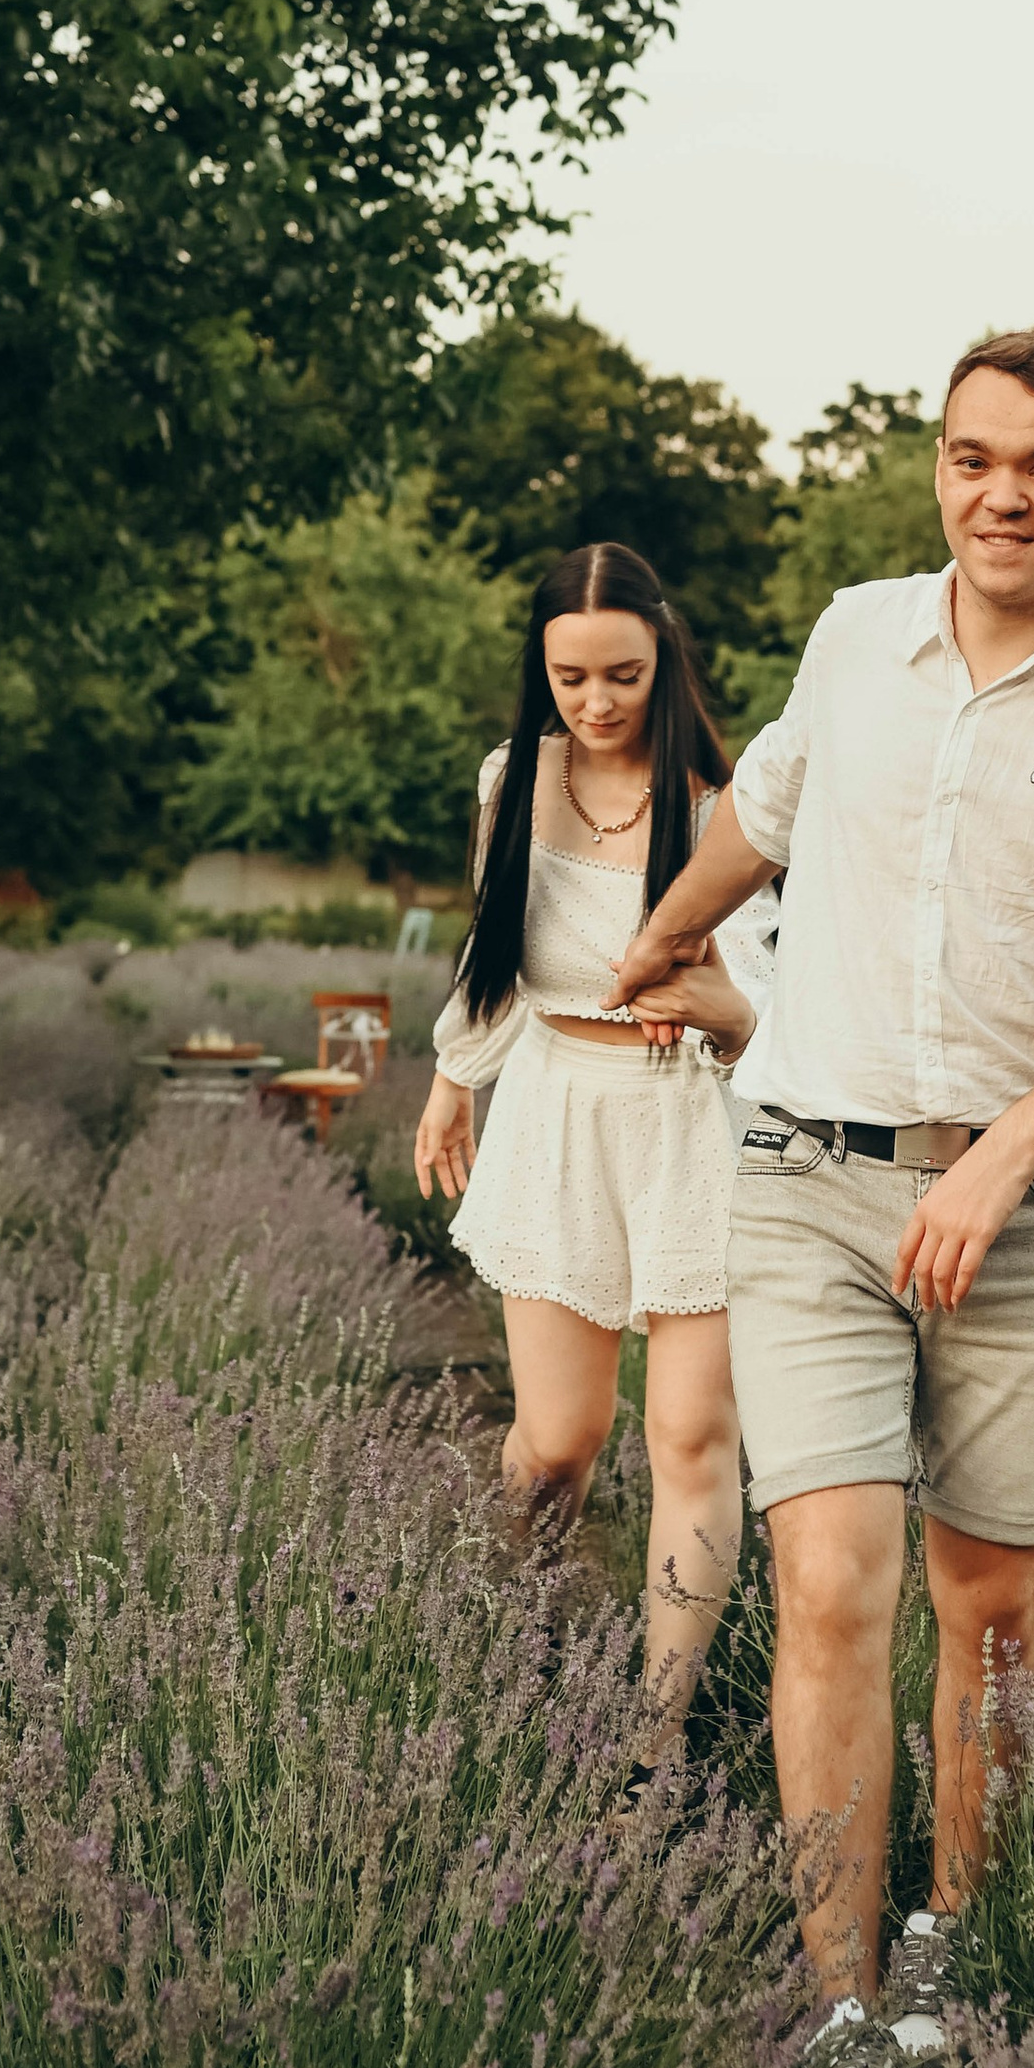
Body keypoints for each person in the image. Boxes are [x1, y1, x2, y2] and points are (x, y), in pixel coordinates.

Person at [607, 325, 1034, 2068]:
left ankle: (954, 1952)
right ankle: (835, 2016)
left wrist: (1011, 1154)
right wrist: (665, 937)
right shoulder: (855, 637)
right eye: (977, 458)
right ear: (939, 466)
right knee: (826, 1585)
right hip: (807, 1179)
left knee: (991, 1614)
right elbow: (774, 803)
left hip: (1022, 1211)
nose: (1005, 494)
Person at [415, 541, 773, 1790]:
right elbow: (491, 945)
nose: (598, 701)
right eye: (571, 678)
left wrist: (720, 1003)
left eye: (621, 673)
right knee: (559, 1438)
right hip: (559, 1110)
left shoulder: (730, 807)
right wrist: (455, 1074)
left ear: (663, 656)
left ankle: (651, 1734)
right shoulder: (516, 778)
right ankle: (492, 1655)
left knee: (690, 1437)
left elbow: (773, 1010)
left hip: (690, 1127)